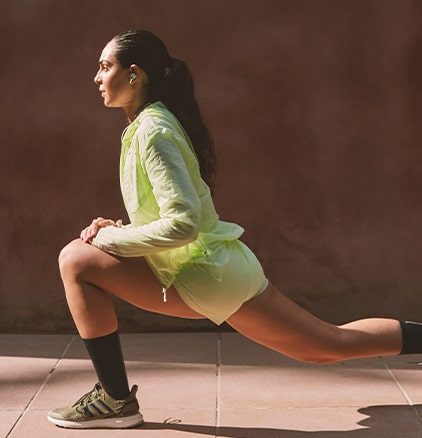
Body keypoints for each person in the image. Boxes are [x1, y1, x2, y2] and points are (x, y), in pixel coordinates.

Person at [47, 29, 422, 429]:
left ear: (135, 74)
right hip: (221, 267)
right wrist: (118, 229)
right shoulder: (151, 123)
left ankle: (115, 399)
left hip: (204, 273)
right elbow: (175, 215)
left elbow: (184, 224)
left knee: (75, 259)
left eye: (105, 67)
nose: (97, 77)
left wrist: (107, 238)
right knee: (328, 344)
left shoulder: (152, 130)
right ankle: (114, 399)